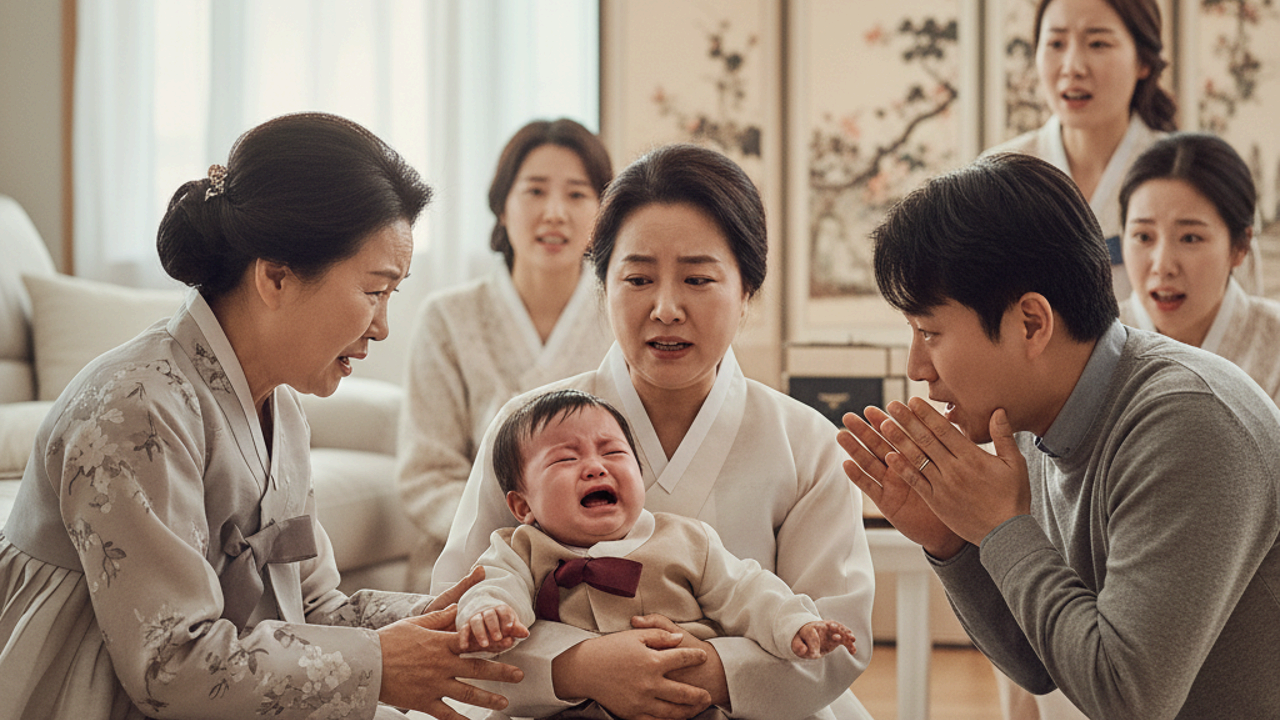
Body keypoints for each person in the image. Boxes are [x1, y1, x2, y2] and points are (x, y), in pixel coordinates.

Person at [0, 112, 522, 720]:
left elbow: (316, 606)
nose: (382, 328)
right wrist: (380, 664)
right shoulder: (135, 407)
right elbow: (170, 666)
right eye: (374, 291)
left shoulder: (282, 408)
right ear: (275, 276)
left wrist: (446, 616)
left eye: (393, 295)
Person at [434, 144, 875, 720]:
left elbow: (838, 639)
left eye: (697, 278)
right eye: (638, 278)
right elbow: (455, 613)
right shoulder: (527, 426)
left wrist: (711, 673)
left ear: (746, 293)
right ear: (604, 285)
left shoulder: (805, 442)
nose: (666, 307)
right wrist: (579, 666)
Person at [838, 151, 1280, 719]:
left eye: (930, 332)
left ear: (1031, 323)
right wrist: (951, 543)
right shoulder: (1032, 413)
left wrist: (1001, 528)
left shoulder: (1186, 423)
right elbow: (1039, 666)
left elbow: (1126, 699)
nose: (917, 367)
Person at [455, 388, 857, 674]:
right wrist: (490, 614)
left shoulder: (687, 540)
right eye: (566, 458)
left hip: (691, 696)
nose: (596, 467)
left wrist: (795, 626)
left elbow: (747, 591)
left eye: (613, 452)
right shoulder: (516, 550)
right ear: (522, 506)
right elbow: (494, 586)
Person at [396, 118, 615, 591]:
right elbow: (425, 474)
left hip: (598, 566)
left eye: (577, 194)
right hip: (473, 566)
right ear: (501, 206)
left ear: (602, 212)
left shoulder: (622, 316)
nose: (554, 212)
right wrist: (524, 541)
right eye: (535, 191)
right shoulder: (448, 318)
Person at [987, 0, 1176, 301]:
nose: (1073, 67)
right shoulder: (997, 176)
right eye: (1056, 43)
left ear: (1144, 61)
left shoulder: (1186, 174)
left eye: (1098, 43)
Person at [1119, 132, 1280, 404]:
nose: (1163, 266)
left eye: (1190, 238)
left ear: (1240, 247)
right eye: (1143, 237)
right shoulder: (1091, 341)